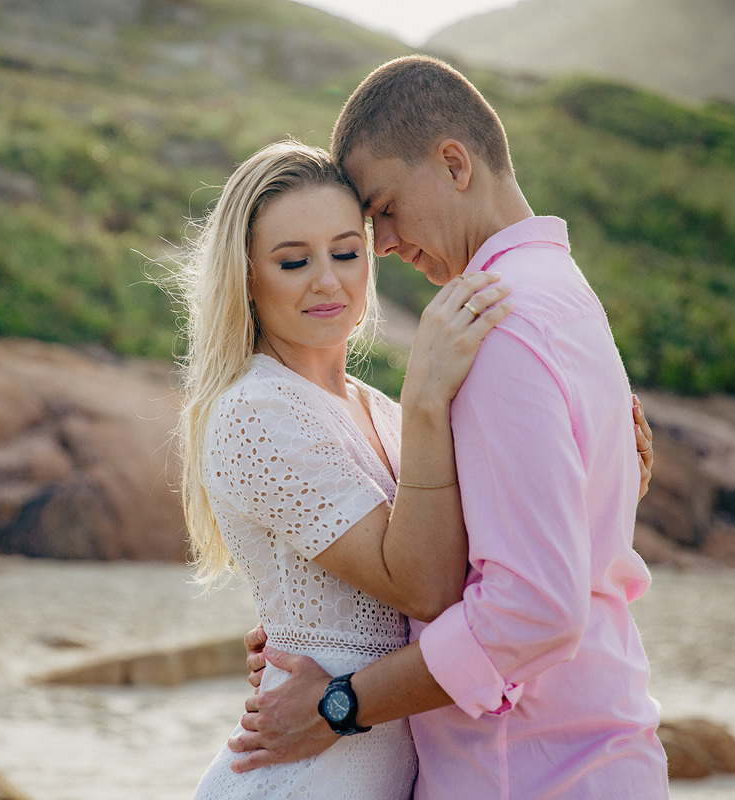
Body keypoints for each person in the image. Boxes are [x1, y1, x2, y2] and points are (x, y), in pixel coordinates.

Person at [228, 56, 670, 799]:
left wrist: (341, 704)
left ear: (455, 164)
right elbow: (534, 534)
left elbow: (531, 609)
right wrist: (321, 637)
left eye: (386, 210)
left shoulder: (492, 324)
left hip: (530, 772)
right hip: (593, 755)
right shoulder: (564, 294)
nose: (386, 244)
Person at [177, 139, 516, 799]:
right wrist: (426, 402)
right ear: (246, 276)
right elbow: (420, 585)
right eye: (293, 261)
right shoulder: (258, 410)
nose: (327, 280)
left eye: (345, 252)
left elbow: (481, 561)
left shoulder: (376, 411)